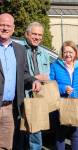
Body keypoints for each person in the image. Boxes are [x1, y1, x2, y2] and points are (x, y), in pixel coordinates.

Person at [0, 13, 41, 150]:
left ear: (13, 28)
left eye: (8, 25)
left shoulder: (20, 50)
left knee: (6, 146)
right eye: (2, 25)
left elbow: (23, 73)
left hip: (10, 108)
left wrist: (34, 80)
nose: (5, 28)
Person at [50, 40, 78, 150]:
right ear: (62, 53)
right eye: (65, 52)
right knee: (60, 135)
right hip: (61, 104)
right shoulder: (55, 66)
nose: (68, 54)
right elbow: (50, 84)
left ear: (75, 53)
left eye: (70, 52)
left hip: (77, 104)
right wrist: (63, 88)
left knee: (75, 134)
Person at [19, 22, 51, 150]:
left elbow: (49, 75)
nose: (37, 37)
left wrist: (46, 77)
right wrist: (36, 78)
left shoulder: (44, 53)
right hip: (22, 96)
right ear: (27, 34)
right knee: (20, 132)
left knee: (36, 133)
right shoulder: (18, 50)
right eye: (34, 34)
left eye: (40, 35)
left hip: (38, 98)